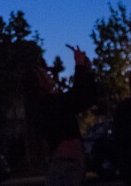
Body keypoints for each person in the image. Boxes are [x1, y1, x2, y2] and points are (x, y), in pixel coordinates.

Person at [23, 45, 96, 186]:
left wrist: (88, 71)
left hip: (72, 165)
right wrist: (79, 65)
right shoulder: (46, 105)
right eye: (43, 73)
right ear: (37, 82)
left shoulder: (53, 103)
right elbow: (78, 96)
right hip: (65, 166)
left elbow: (87, 99)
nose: (48, 73)